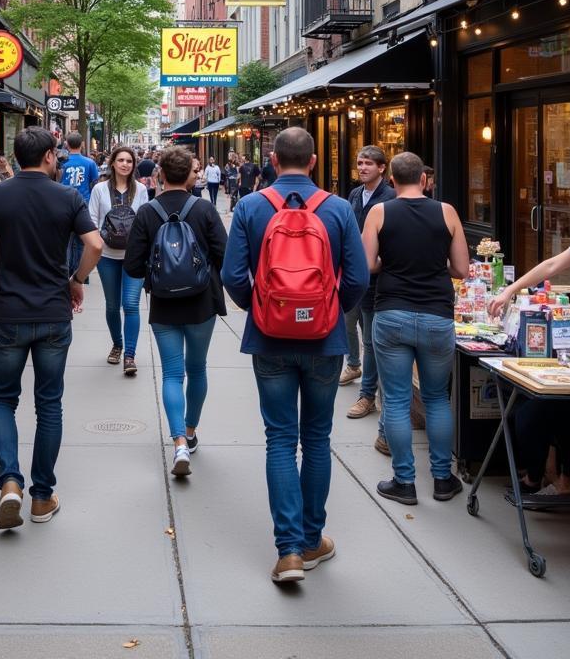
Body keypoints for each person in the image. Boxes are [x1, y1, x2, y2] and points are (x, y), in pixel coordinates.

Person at [221, 127, 369, 583]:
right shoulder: (339, 208)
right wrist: (325, 312)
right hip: (324, 342)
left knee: (280, 438)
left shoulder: (250, 206)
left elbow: (231, 275)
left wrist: (262, 310)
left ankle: (287, 552)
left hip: (270, 341)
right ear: (314, 160)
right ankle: (311, 539)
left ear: (271, 158)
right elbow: (359, 279)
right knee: (318, 438)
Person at [0, 127, 103, 529]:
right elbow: (94, 244)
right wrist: (76, 279)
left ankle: (9, 482)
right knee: (49, 404)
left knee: (3, 400)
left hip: (8, 314)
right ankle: (41, 496)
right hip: (54, 314)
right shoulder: (67, 197)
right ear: (48, 157)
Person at [489, 175, 570, 500]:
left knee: (565, 404)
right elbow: (551, 265)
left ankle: (563, 475)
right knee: (562, 402)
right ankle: (560, 474)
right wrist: (511, 290)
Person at [362, 152, 469, 507]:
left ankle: (404, 480)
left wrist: (389, 261)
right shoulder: (447, 212)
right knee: (438, 398)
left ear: (391, 178)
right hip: (437, 314)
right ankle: (442, 478)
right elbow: (462, 268)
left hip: (392, 312)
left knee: (395, 399)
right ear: (423, 179)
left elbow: (368, 265)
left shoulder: (380, 212)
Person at [125, 147, 228, 479]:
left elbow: (132, 265)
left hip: (164, 304)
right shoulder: (204, 209)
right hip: (202, 302)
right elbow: (225, 255)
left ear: (160, 176)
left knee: (172, 374)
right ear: (190, 176)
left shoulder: (146, 212)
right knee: (196, 369)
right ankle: (192, 428)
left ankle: (179, 443)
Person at [341, 146, 397, 441]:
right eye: (359, 162)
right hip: (353, 276)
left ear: (381, 168)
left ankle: (367, 395)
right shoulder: (353, 195)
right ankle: (353, 364)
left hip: (377, 280)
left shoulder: (390, 198)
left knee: (372, 340)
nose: (362, 168)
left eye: (367, 164)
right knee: (347, 324)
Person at [88, 145, 148, 374]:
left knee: (131, 305)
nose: (125, 164)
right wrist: (97, 245)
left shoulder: (141, 190)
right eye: (121, 160)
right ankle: (117, 345)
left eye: (129, 161)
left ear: (134, 165)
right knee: (112, 306)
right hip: (107, 256)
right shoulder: (100, 190)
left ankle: (130, 355)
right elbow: (92, 219)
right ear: (112, 163)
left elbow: (144, 222)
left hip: (133, 258)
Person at [60, 132, 100, 278]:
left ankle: (64, 271)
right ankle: (78, 273)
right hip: (84, 204)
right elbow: (94, 183)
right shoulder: (90, 163)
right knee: (81, 241)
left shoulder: (62, 163)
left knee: (64, 240)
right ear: (82, 144)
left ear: (67, 144)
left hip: (63, 203)